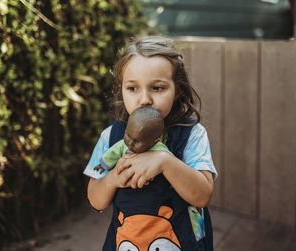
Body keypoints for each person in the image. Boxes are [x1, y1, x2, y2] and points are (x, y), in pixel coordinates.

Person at [83, 35, 217, 251]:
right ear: (121, 90)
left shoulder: (192, 135)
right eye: (132, 88)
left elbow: (202, 195)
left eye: (157, 88)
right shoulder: (111, 137)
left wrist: (165, 161)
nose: (144, 99)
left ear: (177, 91)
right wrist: (112, 179)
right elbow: (95, 199)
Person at [93, 106, 171, 174]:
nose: (130, 143)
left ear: (154, 142)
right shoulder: (121, 145)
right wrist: (103, 165)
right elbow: (112, 153)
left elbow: (169, 162)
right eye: (128, 135)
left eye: (137, 141)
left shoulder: (160, 150)